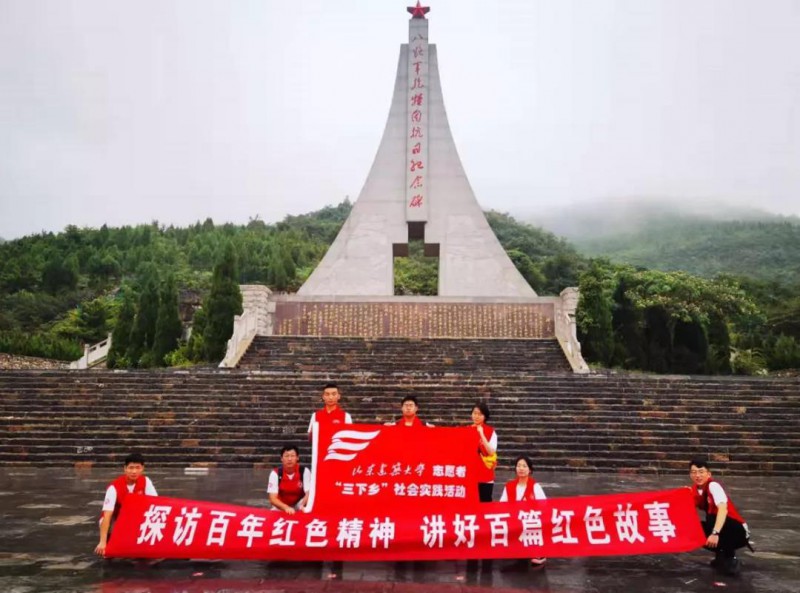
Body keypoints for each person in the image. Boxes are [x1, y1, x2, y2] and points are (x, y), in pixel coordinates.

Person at [689, 458, 751, 575]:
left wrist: (715, 533)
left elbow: (723, 509)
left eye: (701, 472)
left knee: (712, 518)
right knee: (694, 528)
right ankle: (721, 553)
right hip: (722, 529)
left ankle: (730, 556)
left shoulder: (713, 486)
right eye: (694, 472)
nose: (697, 475)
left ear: (708, 474)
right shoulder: (695, 490)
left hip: (738, 531)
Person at [95, 452, 157, 556]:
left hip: (136, 517)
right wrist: (102, 542)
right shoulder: (114, 487)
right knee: (108, 526)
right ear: (125, 468)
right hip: (118, 518)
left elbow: (156, 504)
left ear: (142, 468)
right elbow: (107, 515)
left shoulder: (146, 481)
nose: (134, 471)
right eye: (131, 468)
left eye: (137, 468)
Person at [500, 455, 547, 566]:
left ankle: (539, 551)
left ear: (530, 470)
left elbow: (544, 506)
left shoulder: (535, 487)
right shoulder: (509, 486)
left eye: (524, 466)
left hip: (529, 521)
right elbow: (501, 506)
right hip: (513, 521)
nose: (521, 468)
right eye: (519, 466)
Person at [267, 445, 312, 514]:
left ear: (297, 458)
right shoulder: (275, 473)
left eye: (292, 456)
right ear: (281, 458)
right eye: (286, 456)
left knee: (308, 505)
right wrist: (286, 507)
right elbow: (272, 498)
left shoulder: (304, 471)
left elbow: (308, 493)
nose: (289, 459)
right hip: (281, 505)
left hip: (299, 503)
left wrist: (302, 506)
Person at [471, 401, 497, 503]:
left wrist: (481, 434)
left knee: (485, 504)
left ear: (485, 416)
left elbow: (491, 451)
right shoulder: (466, 430)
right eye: (474, 413)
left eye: (480, 414)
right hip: (470, 476)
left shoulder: (490, 431)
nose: (476, 416)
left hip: (485, 475)